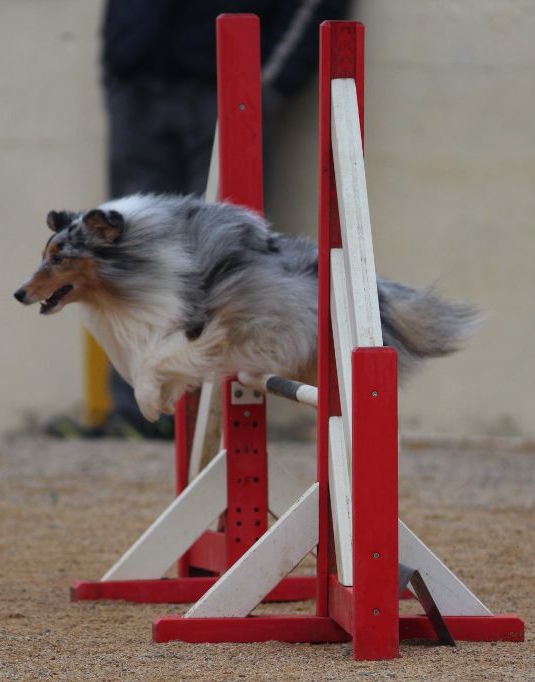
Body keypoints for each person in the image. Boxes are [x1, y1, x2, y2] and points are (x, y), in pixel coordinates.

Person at [95, 0, 350, 438]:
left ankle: (204, 417)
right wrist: (119, 63)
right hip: (137, 82)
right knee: (121, 257)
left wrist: (264, 83)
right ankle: (136, 411)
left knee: (220, 260)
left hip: (229, 86)